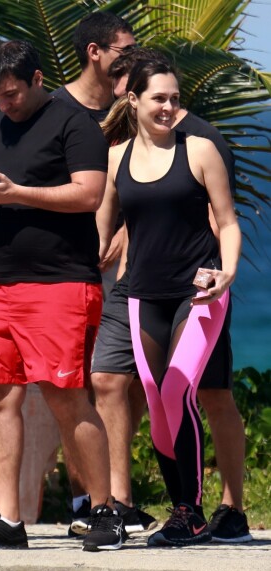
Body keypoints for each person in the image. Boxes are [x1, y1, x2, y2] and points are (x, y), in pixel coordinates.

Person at [0, 38, 126, 552]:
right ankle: (6, 519)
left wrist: (19, 193)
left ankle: (105, 510)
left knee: (67, 398)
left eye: (13, 95)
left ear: (38, 79)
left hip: (60, 283)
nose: (6, 104)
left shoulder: (75, 124)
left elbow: (89, 193)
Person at [90, 47, 252, 544]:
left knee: (180, 389)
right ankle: (183, 505)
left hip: (198, 291)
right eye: (158, 98)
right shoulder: (115, 158)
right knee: (160, 401)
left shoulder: (198, 149)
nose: (168, 107)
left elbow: (227, 222)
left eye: (175, 98)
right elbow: (101, 231)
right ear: (133, 99)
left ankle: (190, 510)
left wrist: (225, 273)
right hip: (143, 293)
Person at [51, 12, 156, 537]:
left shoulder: (139, 104)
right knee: (79, 383)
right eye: (125, 49)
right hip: (70, 265)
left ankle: (117, 496)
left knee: (124, 382)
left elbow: (158, 178)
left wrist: (127, 234)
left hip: (128, 267)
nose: (133, 56)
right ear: (95, 51)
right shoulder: (58, 110)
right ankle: (86, 499)